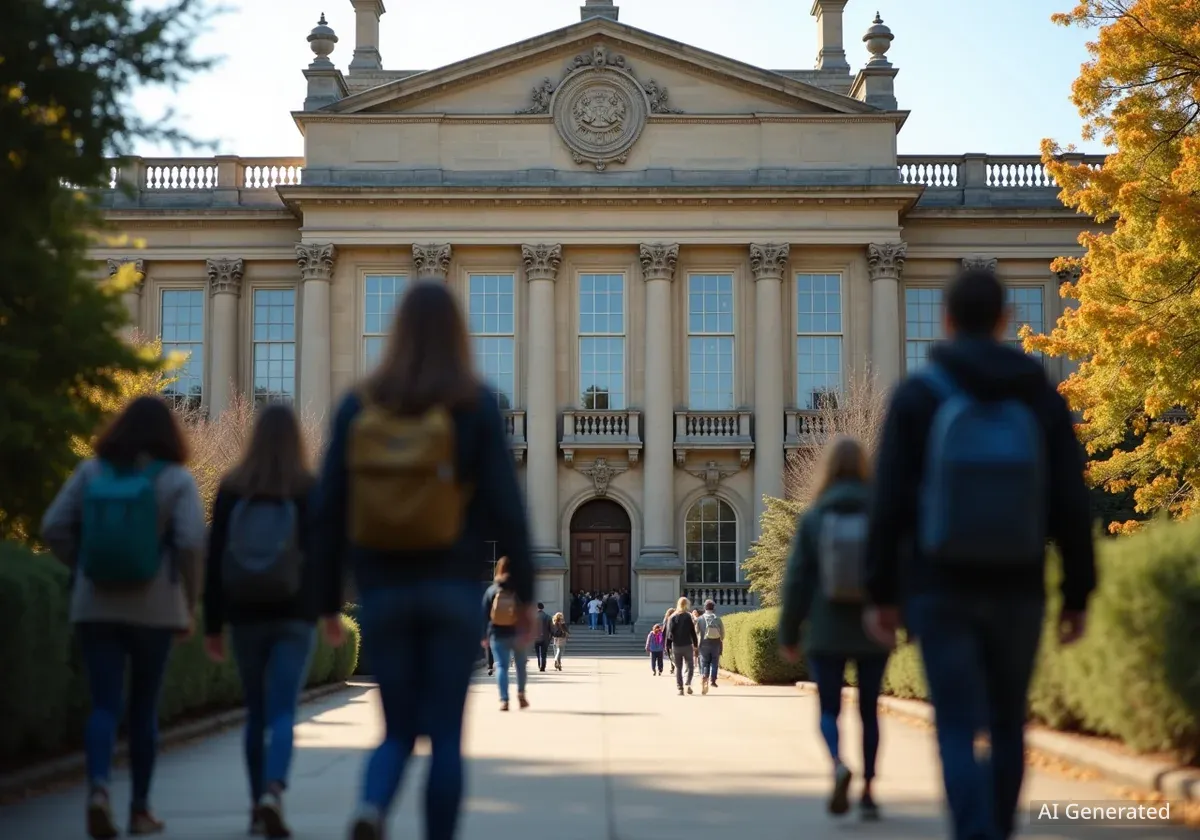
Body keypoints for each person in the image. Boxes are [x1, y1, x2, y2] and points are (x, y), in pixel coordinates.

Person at [864, 268, 1096, 840]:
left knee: (957, 723)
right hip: (1018, 582)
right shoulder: (1040, 394)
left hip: (940, 585)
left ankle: (973, 831)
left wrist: (882, 593)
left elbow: (888, 504)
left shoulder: (918, 396)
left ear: (944, 320)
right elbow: (1070, 499)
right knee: (1009, 721)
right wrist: (1077, 592)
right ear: (1005, 320)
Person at [318, 280, 534, 840]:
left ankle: (371, 806)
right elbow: (509, 511)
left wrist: (324, 600)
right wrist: (525, 596)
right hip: (452, 590)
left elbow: (327, 511)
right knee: (444, 736)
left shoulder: (358, 404)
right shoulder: (474, 403)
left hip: (383, 591)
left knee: (395, 730)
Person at [41, 396, 206, 839]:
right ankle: (139, 810)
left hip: (95, 605)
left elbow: (53, 526)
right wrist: (188, 603)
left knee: (103, 704)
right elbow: (192, 542)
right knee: (144, 708)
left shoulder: (90, 472)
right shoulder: (175, 479)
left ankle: (98, 790)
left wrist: (85, 566)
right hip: (155, 609)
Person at [202, 403, 346, 838]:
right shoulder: (307, 487)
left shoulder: (232, 487)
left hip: (246, 613)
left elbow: (215, 560)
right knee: (284, 710)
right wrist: (330, 611)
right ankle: (274, 791)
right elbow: (325, 555)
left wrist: (212, 623)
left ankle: (254, 804)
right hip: (295, 613)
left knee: (256, 713)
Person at [778, 435, 891, 821]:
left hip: (826, 628)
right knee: (869, 711)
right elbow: (899, 569)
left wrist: (789, 632)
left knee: (829, 708)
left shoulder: (814, 517)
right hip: (872, 626)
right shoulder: (880, 514)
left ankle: (838, 765)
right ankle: (871, 789)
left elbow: (796, 580)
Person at [483, 557, 530, 710]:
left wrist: (484, 635)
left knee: (501, 666)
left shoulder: (492, 590)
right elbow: (527, 612)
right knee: (521, 666)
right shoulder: (520, 589)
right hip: (517, 632)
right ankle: (521, 694)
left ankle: (504, 699)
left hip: (497, 633)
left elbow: (484, 615)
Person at [666, 597, 699, 695]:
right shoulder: (688, 617)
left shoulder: (672, 617)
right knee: (690, 666)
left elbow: (669, 633)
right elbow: (692, 632)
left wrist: (668, 646)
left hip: (676, 645)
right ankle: (688, 683)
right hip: (687, 645)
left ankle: (680, 688)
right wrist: (696, 644)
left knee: (678, 668)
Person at [696, 600, 725, 695]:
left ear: (705, 608)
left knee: (705, 662)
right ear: (714, 608)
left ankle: (705, 677)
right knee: (715, 662)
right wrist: (720, 638)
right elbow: (723, 634)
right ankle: (713, 680)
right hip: (716, 643)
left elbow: (696, 632)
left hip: (704, 644)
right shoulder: (718, 619)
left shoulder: (700, 619)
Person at [532, 602, 552, 672]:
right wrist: (550, 637)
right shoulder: (548, 617)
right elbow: (551, 629)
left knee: (538, 653)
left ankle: (539, 664)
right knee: (544, 653)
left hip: (536, 637)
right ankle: (543, 666)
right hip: (545, 638)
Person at [662, 607, 677, 674]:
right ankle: (673, 665)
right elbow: (664, 629)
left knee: (670, 653)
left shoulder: (674, 619)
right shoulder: (666, 620)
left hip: (669, 639)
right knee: (671, 653)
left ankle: (673, 666)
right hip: (670, 638)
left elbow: (664, 631)